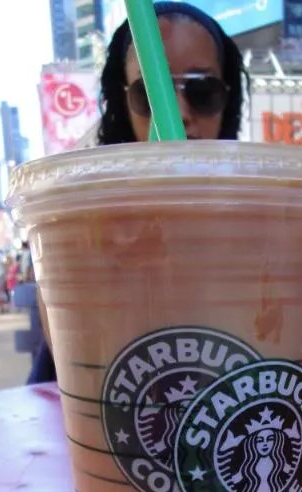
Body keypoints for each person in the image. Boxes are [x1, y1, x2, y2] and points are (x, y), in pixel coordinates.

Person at [29, 1, 247, 383]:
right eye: (149, 93)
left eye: (203, 90)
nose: (180, 112)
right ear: (121, 99)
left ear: (228, 99)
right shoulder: (81, 213)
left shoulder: (258, 208)